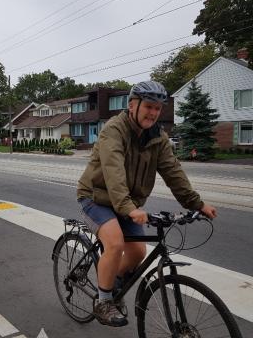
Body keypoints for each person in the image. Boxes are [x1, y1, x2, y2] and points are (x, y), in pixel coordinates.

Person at [77, 81, 217, 327]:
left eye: (158, 108)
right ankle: (103, 301)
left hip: (125, 203)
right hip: (96, 196)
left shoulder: (158, 138)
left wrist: (197, 204)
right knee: (116, 242)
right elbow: (113, 172)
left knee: (139, 252)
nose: (153, 113)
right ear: (132, 105)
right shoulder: (114, 130)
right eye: (149, 106)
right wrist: (129, 209)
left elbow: (173, 172)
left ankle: (113, 282)